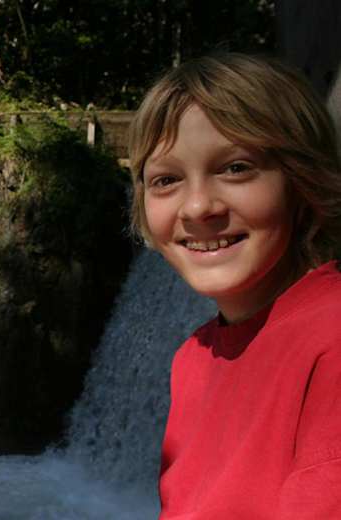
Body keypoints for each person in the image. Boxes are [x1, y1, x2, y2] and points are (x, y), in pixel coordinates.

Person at [128, 52, 341, 519]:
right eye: (166, 180)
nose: (198, 207)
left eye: (236, 168)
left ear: (302, 181)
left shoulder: (333, 340)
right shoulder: (193, 357)